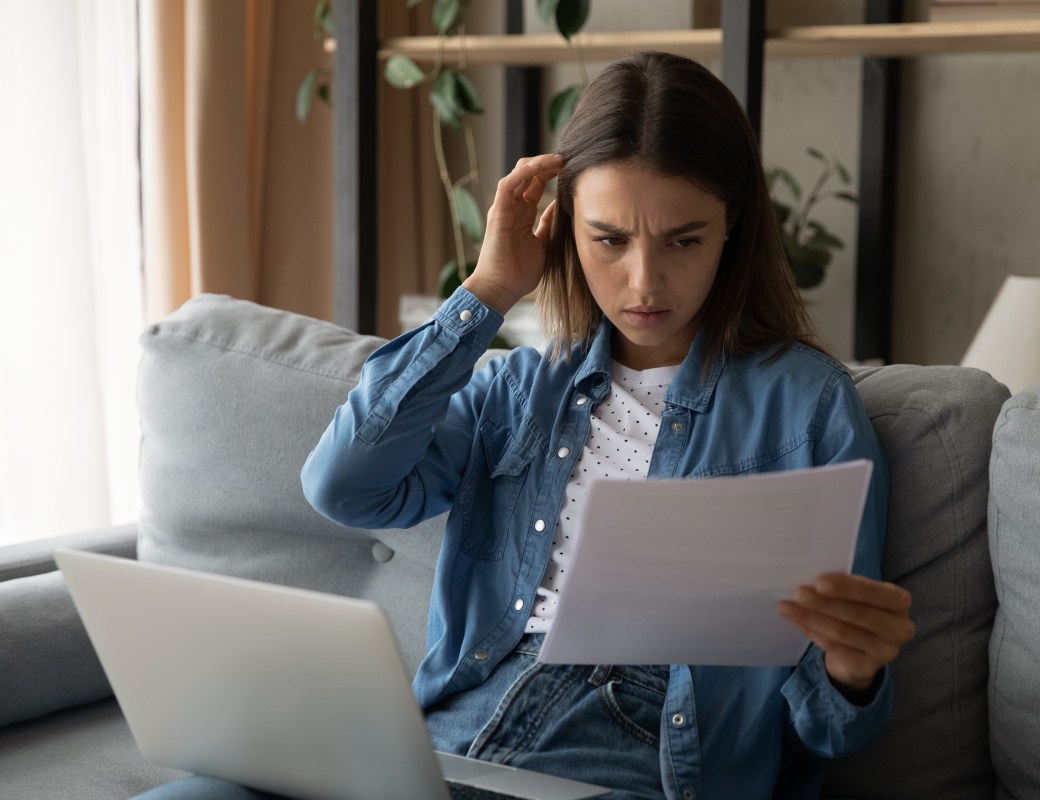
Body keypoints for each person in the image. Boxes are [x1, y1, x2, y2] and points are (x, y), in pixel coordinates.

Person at [137, 51, 914, 800]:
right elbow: (344, 486)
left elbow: (827, 730)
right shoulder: (513, 391)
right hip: (453, 734)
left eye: (684, 240)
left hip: (638, 751)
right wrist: (488, 291)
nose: (645, 281)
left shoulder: (807, 406)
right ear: (564, 228)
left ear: (732, 231)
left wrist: (852, 670)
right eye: (609, 239)